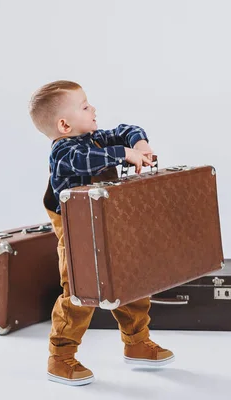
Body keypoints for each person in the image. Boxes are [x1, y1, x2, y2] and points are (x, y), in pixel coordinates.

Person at [28, 80, 174, 386]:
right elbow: (83, 161)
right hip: (76, 234)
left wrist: (139, 145)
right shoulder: (64, 152)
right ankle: (60, 357)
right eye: (84, 106)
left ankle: (136, 341)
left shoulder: (95, 138)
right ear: (64, 124)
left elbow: (125, 130)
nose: (93, 108)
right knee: (79, 293)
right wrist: (122, 154)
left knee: (131, 280)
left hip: (109, 225)